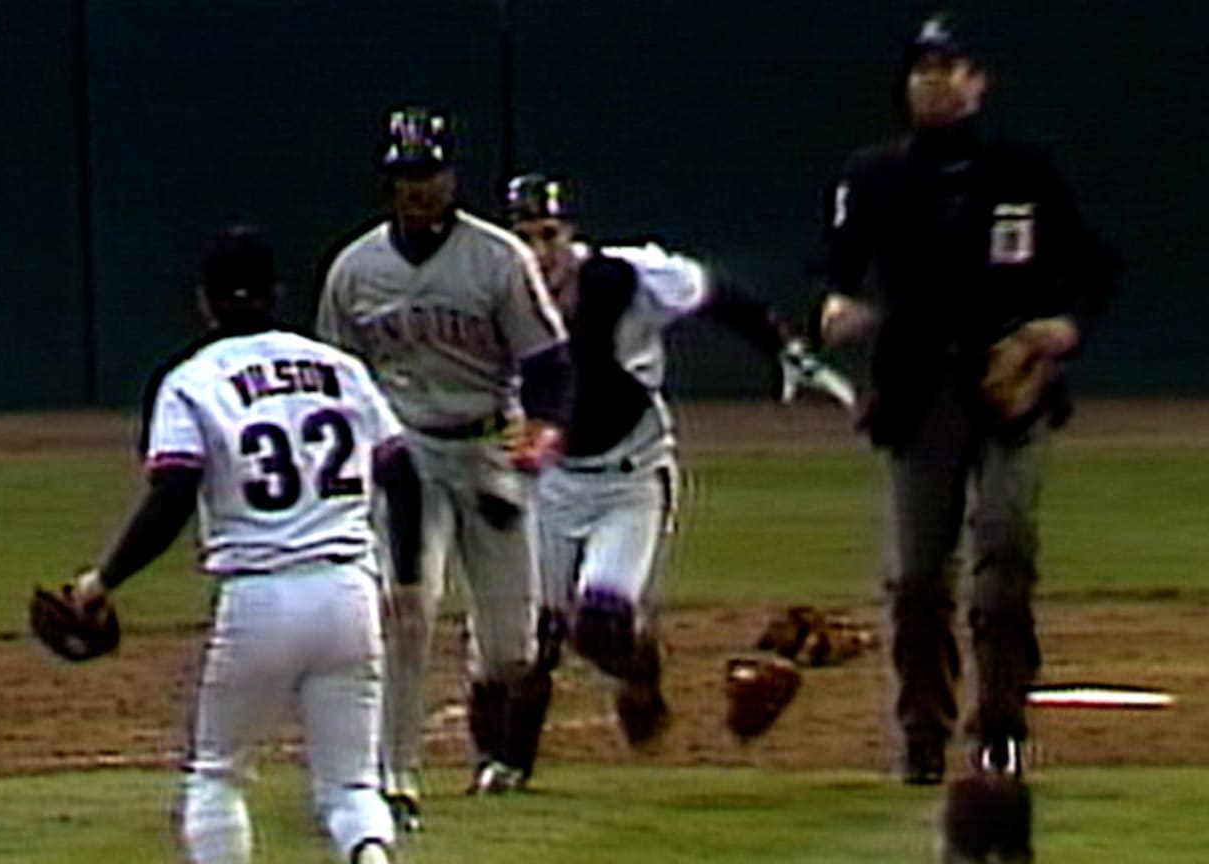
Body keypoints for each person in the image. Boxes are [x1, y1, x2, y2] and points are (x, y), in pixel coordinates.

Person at [814, 15, 1118, 786]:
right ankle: (922, 731)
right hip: (920, 395)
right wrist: (838, 309)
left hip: (1012, 390)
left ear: (978, 81)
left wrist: (1061, 328)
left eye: (950, 67)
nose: (934, 80)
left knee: (1003, 552)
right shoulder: (874, 176)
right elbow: (837, 277)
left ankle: (1001, 727)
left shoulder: (1024, 170)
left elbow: (1092, 268)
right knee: (916, 579)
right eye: (922, 67)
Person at [68, 226, 422, 864]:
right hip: (350, 593)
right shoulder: (340, 369)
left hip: (259, 598)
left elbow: (173, 493)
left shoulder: (191, 380)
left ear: (205, 301)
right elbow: (402, 472)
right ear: (276, 294)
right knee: (351, 785)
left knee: (217, 775)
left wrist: (103, 580)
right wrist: (410, 579)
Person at [503, 172, 851, 760]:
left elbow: (712, 294)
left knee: (602, 622)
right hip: (551, 484)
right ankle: (507, 769)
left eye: (549, 235)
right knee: (533, 639)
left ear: (570, 234)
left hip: (629, 477)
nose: (540, 253)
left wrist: (783, 347)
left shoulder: (621, 277)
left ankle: (641, 676)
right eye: (524, 238)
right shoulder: (492, 291)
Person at [316, 106, 574, 824]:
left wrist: (546, 430)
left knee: (511, 651)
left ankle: (489, 723)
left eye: (428, 173)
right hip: (407, 458)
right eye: (405, 176)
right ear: (389, 183)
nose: (418, 189)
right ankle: (393, 777)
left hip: (489, 449)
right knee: (405, 613)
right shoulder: (355, 269)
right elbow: (336, 378)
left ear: (451, 176)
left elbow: (547, 361)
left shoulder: (497, 259)